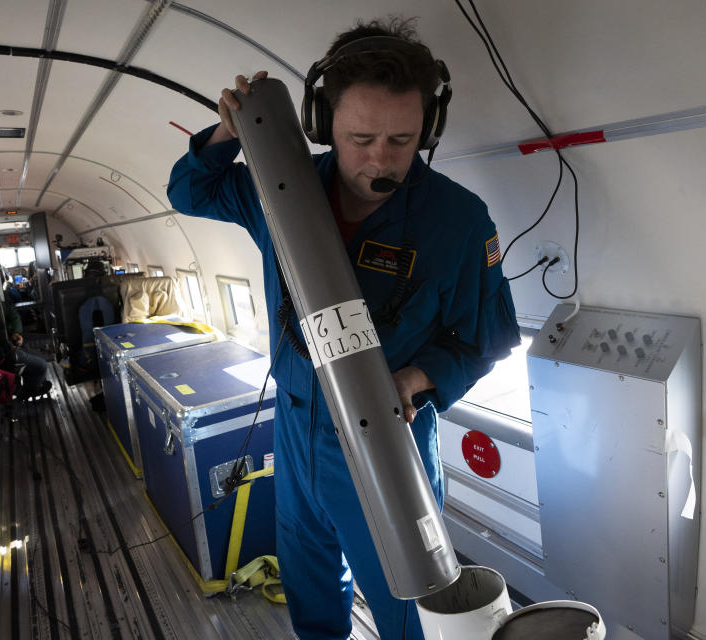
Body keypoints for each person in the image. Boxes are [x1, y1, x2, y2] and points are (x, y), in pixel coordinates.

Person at [168, 17, 521, 640]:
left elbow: (483, 340)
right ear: (322, 122)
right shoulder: (280, 190)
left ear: (427, 131)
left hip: (388, 433)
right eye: (360, 138)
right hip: (297, 421)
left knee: (410, 604)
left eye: (401, 140)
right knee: (309, 586)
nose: (380, 161)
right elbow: (189, 191)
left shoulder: (459, 222)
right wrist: (228, 131)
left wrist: (419, 376)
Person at [2, 298, 52, 398]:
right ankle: (28, 392)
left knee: (32, 354)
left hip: (6, 348)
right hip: (6, 352)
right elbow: (14, 315)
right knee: (42, 365)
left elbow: (14, 316)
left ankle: (30, 383)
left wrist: (16, 332)